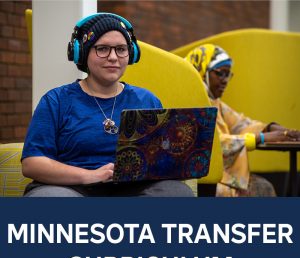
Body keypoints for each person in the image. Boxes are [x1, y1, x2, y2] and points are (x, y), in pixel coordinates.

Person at [21, 12, 194, 197]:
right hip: (72, 189)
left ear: (131, 54)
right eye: (102, 49)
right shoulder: (56, 100)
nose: (113, 57)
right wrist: (90, 175)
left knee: (177, 193)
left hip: (134, 191)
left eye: (121, 49)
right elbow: (32, 163)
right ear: (83, 53)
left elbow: (163, 158)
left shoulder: (147, 100)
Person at [185, 44, 300, 197]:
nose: (225, 80)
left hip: (219, 178)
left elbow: (241, 125)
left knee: (262, 187)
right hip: (201, 183)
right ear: (202, 70)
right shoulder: (192, 100)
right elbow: (214, 143)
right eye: (220, 73)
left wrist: (274, 129)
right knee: (261, 189)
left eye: (228, 75)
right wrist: (261, 138)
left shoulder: (214, 102)